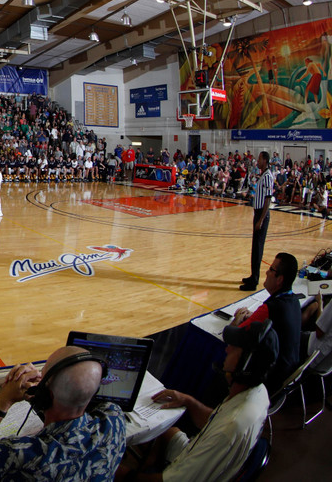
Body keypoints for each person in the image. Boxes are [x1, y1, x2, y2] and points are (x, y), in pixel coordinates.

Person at [122, 321, 276, 482]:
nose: (227, 348)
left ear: (246, 364)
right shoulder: (258, 392)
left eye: (235, 348)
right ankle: (149, 462)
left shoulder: (229, 429)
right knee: (167, 429)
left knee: (105, 466)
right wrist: (188, 401)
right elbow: (214, 421)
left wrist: (122, 474)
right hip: (199, 451)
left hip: (187, 474)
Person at [0, 346, 126, 481]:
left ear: (44, 394)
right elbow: (77, 395)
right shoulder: (114, 420)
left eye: (43, 374)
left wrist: (2, 403)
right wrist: (45, 391)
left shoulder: (21, 454)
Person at [231, 252, 301, 391]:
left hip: (271, 381)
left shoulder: (271, 307)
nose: (267, 272)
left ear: (280, 279)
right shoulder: (294, 300)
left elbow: (235, 335)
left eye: (271, 269)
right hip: (289, 372)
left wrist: (238, 317)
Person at [241, 151, 274, 291]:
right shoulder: (263, 175)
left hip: (262, 214)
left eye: (259, 159)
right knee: (255, 246)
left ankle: (254, 280)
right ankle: (252, 275)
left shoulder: (267, 176)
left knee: (258, 247)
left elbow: (268, 199)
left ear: (265, 160)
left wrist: (260, 219)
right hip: (258, 213)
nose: (257, 161)